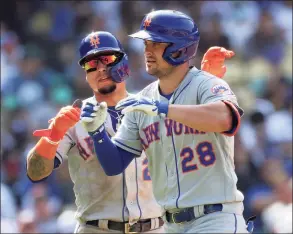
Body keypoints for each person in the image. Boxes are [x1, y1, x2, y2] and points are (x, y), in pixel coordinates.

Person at [26, 30, 229, 233]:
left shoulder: (151, 106)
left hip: (156, 227)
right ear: (86, 74)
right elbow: (35, 173)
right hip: (97, 229)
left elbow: (198, 132)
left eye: (107, 59)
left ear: (124, 63)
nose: (101, 68)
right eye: (91, 64)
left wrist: (203, 85)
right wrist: (53, 138)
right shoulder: (74, 118)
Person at [80, 10, 253, 233]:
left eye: (155, 44)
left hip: (215, 218)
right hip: (170, 224)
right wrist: (97, 133)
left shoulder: (205, 85)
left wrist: (164, 109)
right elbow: (114, 164)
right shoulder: (143, 101)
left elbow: (227, 118)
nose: (147, 52)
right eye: (145, 44)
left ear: (179, 48)